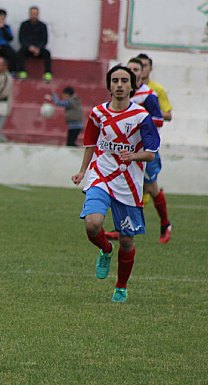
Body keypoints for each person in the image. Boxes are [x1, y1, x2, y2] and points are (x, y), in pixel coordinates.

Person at [71, 64, 160, 303]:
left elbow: (151, 152)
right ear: (109, 85)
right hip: (100, 175)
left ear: (132, 86)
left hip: (128, 184)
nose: (119, 85)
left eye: (124, 81)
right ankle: (106, 249)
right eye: (115, 81)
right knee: (92, 224)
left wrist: (134, 156)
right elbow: (90, 143)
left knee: (127, 240)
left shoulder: (141, 116)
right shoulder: (98, 113)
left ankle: (121, 286)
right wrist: (82, 171)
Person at [105, 58, 172, 244]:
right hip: (126, 149)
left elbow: (158, 120)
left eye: (136, 69)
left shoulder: (148, 95)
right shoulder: (124, 94)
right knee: (122, 186)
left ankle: (165, 224)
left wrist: (140, 118)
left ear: (143, 72)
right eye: (130, 69)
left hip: (145, 150)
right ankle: (122, 227)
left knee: (150, 188)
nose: (133, 71)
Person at [16, 6, 52, 82]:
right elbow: (21, 39)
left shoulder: (43, 25)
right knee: (20, 52)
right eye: (32, 13)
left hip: (39, 49)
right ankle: (22, 72)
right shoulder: (24, 24)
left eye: (35, 13)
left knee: (47, 53)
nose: (33, 15)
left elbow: (44, 40)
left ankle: (47, 73)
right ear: (29, 14)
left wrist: (38, 48)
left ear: (38, 14)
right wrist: (29, 47)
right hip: (27, 48)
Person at [136, 53, 172, 121]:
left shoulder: (158, 89)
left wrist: (150, 112)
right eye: (140, 66)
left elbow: (168, 115)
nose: (142, 69)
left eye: (145, 66)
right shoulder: (127, 88)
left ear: (151, 68)